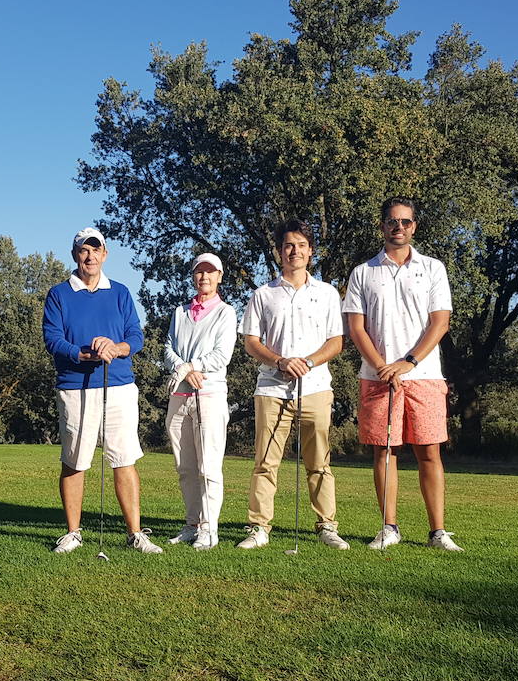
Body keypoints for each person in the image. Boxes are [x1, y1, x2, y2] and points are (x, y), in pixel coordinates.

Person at [343, 197, 462, 551]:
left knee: (429, 452)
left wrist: (408, 362)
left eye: (406, 222)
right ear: (382, 226)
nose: (399, 227)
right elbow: (355, 327)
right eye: (393, 222)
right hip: (377, 377)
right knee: (385, 451)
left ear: (414, 226)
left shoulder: (433, 268)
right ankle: (389, 527)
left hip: (424, 375)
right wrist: (382, 366)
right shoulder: (363, 272)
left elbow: (440, 323)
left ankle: (438, 532)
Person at [42, 226, 163, 554]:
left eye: (96, 250)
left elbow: (135, 336)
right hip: (75, 387)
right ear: (75, 255)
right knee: (75, 461)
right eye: (84, 250)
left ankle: (135, 534)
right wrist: (83, 353)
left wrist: (116, 347)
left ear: (105, 254)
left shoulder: (121, 292)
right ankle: (72, 532)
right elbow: (52, 339)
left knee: (124, 459)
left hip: (119, 385)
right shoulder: (59, 294)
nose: (90, 255)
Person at [237, 220, 349, 550]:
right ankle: (259, 527)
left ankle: (327, 525)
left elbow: (336, 341)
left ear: (310, 251)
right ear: (279, 252)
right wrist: (281, 361)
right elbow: (251, 342)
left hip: (315, 387)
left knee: (319, 462)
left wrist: (308, 362)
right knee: (265, 463)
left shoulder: (327, 293)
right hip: (272, 388)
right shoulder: (263, 294)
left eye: (301, 245)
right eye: (288, 245)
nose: (294, 251)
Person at [163, 252, 238, 550]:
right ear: (193, 276)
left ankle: (209, 528)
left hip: (209, 394)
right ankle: (192, 523)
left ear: (219, 276)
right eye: (199, 272)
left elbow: (222, 355)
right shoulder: (180, 312)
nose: (204, 277)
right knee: (185, 467)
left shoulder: (226, 312)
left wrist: (190, 367)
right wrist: (181, 368)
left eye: (210, 272)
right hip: (179, 394)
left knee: (208, 466)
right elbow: (168, 348)